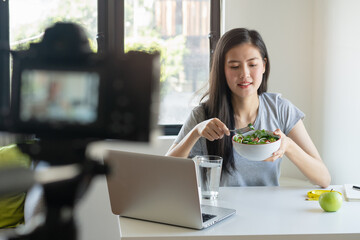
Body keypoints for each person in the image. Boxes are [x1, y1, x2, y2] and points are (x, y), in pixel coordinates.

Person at [166, 28, 331, 188]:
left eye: (252, 64)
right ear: (222, 70)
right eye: (234, 66)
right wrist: (195, 133)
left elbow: (323, 178)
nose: (244, 74)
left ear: (264, 65)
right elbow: (165, 171)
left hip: (270, 212)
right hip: (222, 211)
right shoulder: (203, 115)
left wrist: (287, 145)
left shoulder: (280, 109)